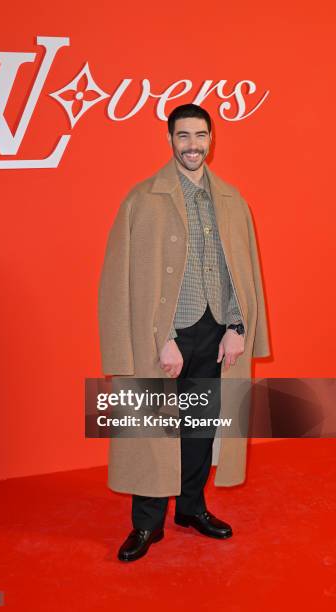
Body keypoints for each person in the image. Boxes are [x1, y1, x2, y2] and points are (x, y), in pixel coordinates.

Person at [98, 103, 270, 562]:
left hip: (216, 336)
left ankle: (191, 508)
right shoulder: (142, 199)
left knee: (199, 428)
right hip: (164, 339)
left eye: (200, 135)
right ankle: (146, 524)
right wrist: (161, 338)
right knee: (151, 429)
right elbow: (123, 281)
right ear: (169, 140)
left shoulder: (232, 200)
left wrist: (237, 327)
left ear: (212, 138)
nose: (192, 145)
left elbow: (242, 274)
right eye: (182, 136)